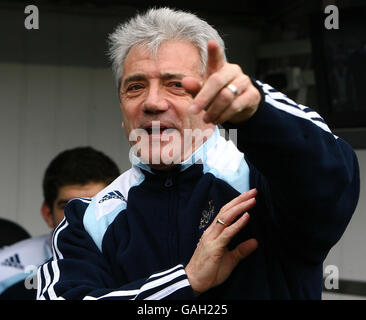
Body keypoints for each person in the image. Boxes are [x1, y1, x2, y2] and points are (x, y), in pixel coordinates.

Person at [36, 7, 359, 300]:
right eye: (135, 86)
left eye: (175, 85)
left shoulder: (265, 181)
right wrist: (185, 281)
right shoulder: (88, 219)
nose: (152, 102)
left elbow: (333, 180)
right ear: (122, 111)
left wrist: (257, 110)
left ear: (212, 96)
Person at [0, 147, 120, 299]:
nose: (81, 216)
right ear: (48, 214)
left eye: (94, 205)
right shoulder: (5, 274)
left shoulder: (145, 264)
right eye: (68, 207)